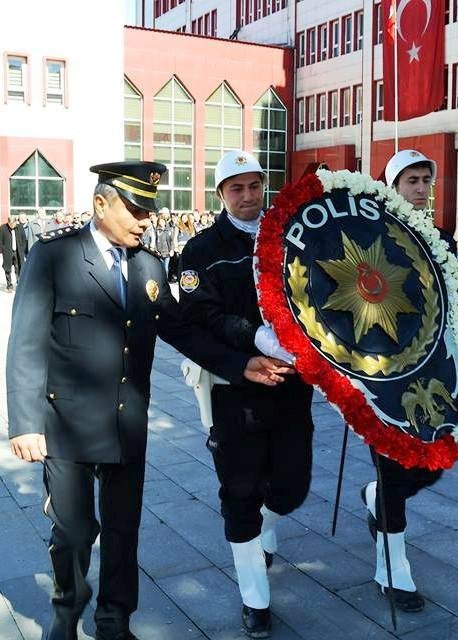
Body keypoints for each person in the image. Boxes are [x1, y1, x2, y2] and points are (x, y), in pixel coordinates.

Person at [6, 160, 290, 640]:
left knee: (123, 530)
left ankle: (115, 623)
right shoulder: (54, 256)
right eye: (135, 209)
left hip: (127, 421)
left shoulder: (148, 265)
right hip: (68, 422)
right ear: (101, 205)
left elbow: (181, 329)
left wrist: (239, 364)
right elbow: (26, 341)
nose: (145, 220)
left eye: (149, 209)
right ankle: (65, 617)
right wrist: (24, 422)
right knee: (74, 532)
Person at [177, 150, 314, 639]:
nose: (248, 196)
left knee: (293, 485)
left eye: (254, 186)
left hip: (292, 385)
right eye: (236, 188)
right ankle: (255, 598)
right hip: (235, 389)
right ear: (220, 194)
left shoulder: (292, 239)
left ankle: (267, 530)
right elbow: (200, 315)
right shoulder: (200, 251)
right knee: (239, 493)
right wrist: (253, 339)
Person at [361, 150, 449, 613]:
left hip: (434, 378)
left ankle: (373, 496)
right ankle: (392, 572)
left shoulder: (443, 242)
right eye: (410, 181)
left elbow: (456, 316)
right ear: (392, 188)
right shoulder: (372, 240)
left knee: (433, 464)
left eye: (424, 180)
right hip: (382, 379)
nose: (420, 188)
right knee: (394, 474)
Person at [0, 216, 26, 291]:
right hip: (7, 252)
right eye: (10, 224)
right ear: (8, 222)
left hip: (18, 252)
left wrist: (22, 249)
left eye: (13, 224)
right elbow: (0, 241)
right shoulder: (3, 228)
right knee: (7, 269)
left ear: (15, 222)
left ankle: (19, 284)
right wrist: (2, 251)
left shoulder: (20, 227)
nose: (12, 226)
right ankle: (9, 286)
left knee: (18, 268)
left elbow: (24, 239)